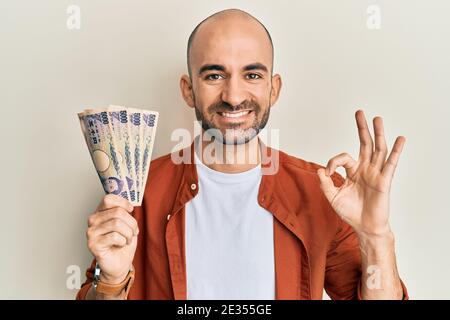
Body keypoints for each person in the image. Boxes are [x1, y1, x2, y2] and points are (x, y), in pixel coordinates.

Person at [77, 8, 408, 300]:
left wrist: (376, 235)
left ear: (273, 89)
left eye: (252, 75)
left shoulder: (324, 193)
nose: (234, 96)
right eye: (214, 75)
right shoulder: (138, 193)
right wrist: (111, 281)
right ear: (188, 90)